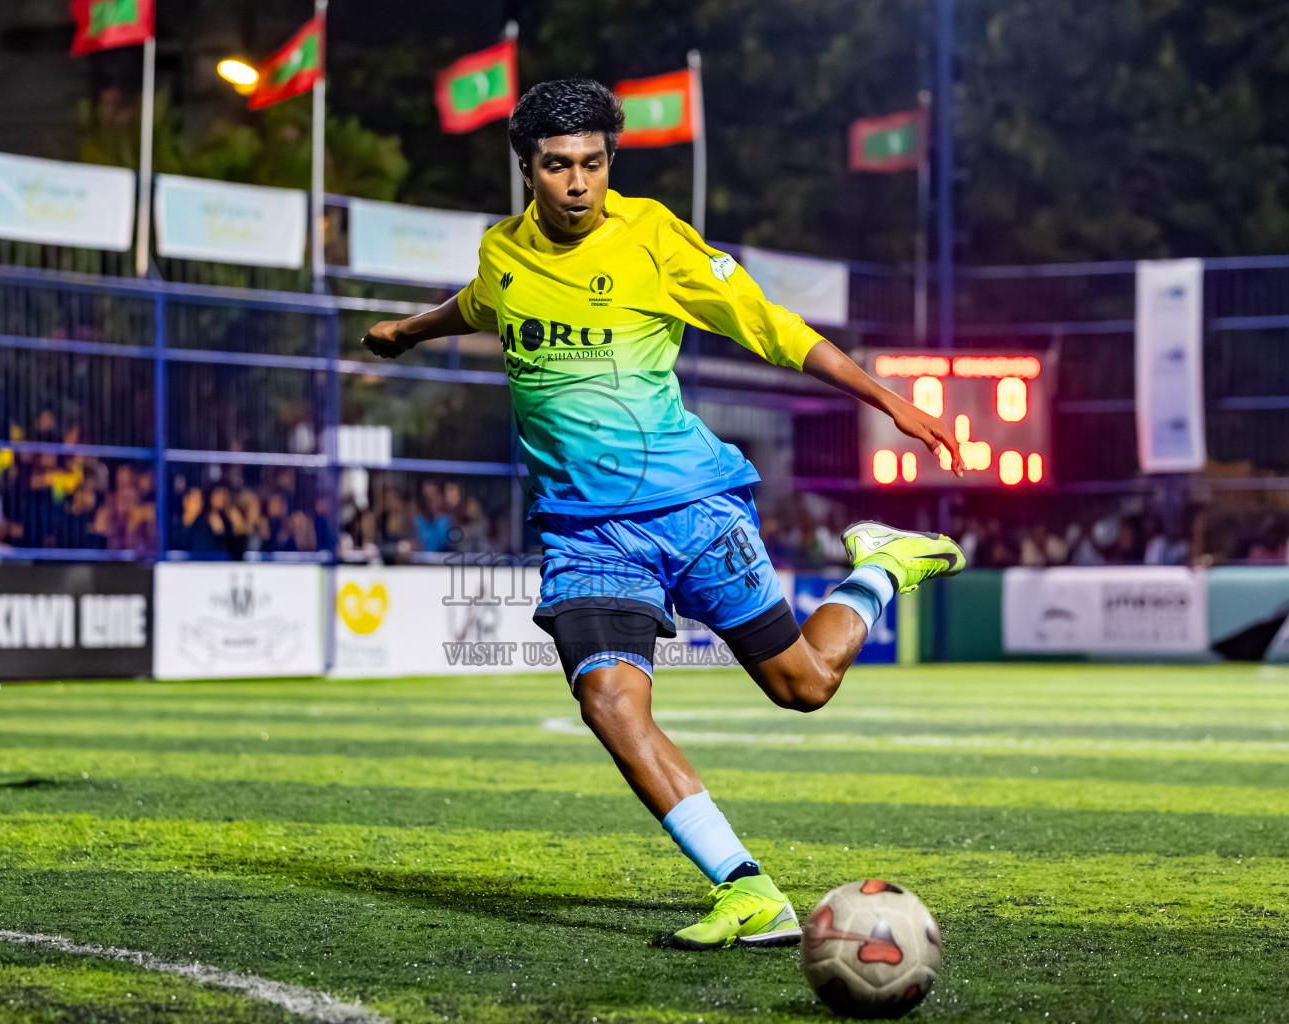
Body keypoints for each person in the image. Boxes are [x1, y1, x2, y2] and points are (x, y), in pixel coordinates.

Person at [361, 79, 967, 951]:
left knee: (804, 686)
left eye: (593, 164)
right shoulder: (504, 253)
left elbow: (777, 328)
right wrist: (411, 332)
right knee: (609, 699)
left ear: (612, 161)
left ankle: (881, 567)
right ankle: (747, 890)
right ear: (526, 170)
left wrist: (889, 400)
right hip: (585, 533)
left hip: (691, 507)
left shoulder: (654, 241)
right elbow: (480, 304)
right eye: (558, 166)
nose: (577, 183)